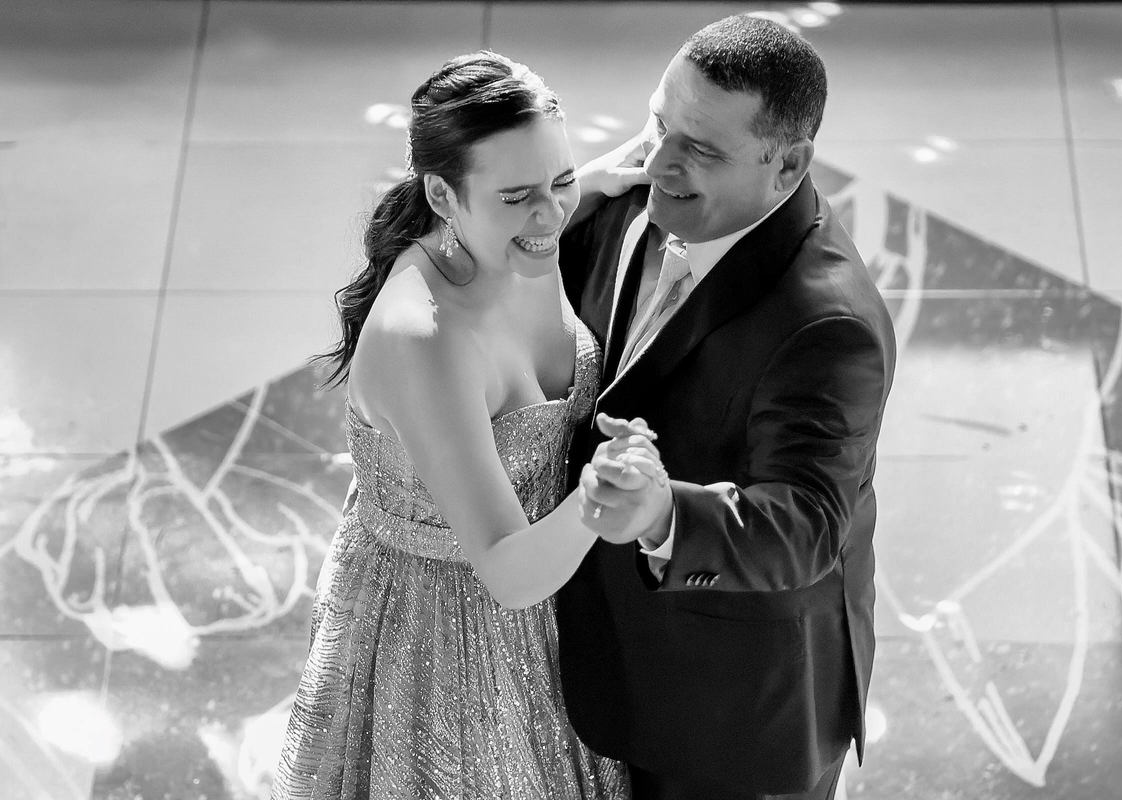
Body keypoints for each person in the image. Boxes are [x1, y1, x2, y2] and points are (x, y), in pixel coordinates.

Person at [272, 51, 652, 800]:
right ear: (443, 195)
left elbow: (537, 209)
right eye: (518, 196)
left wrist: (591, 181)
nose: (551, 216)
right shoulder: (425, 339)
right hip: (439, 641)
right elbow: (508, 571)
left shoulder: (512, 234)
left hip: (548, 605)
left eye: (560, 180)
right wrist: (598, 496)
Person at [557, 15, 897, 800]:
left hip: (734, 710)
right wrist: (566, 199)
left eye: (703, 150)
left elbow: (808, 522)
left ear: (788, 166)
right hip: (604, 659)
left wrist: (662, 515)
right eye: (658, 122)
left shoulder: (829, 324)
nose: (658, 162)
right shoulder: (629, 192)